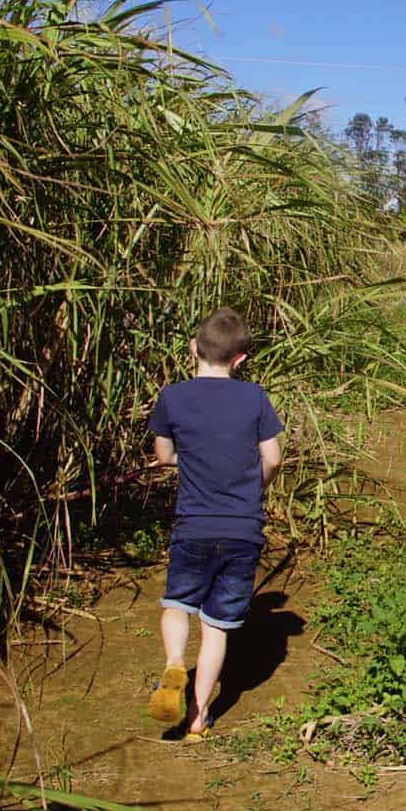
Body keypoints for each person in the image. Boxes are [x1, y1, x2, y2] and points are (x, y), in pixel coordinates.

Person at [146, 308, 284, 740]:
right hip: (242, 527)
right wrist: (253, 485)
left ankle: (172, 664)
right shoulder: (255, 398)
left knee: (176, 604)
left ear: (193, 347)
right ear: (240, 359)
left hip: (194, 525)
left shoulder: (172, 397)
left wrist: (190, 460)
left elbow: (164, 456)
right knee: (216, 627)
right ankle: (198, 718)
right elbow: (274, 458)